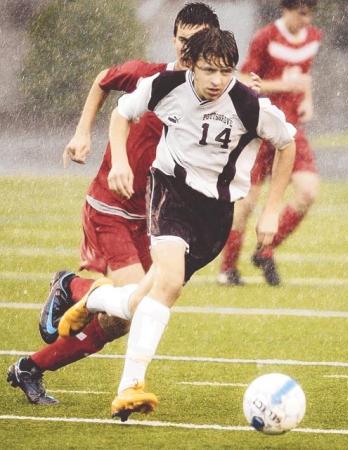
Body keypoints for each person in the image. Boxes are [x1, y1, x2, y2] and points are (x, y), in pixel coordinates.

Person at [58, 27, 296, 422]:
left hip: (215, 216)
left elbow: (285, 143)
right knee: (168, 285)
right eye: (208, 70)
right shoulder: (165, 85)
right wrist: (118, 160)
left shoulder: (250, 105)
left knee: (139, 302)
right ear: (192, 66)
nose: (217, 81)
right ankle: (129, 388)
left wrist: (271, 209)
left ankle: (93, 299)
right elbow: (121, 113)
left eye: (225, 71)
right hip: (169, 195)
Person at [7, 2, 221, 406]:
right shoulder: (150, 76)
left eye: (196, 42)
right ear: (173, 39)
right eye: (182, 40)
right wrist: (83, 135)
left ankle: (30, 367)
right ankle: (71, 284)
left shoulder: (214, 97)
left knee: (119, 320)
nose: (186, 49)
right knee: (135, 302)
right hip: (110, 207)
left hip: (153, 217)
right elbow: (104, 81)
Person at [218, 0, 321, 286]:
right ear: (286, 9)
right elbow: (245, 80)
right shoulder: (265, 38)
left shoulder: (313, 37)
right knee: (246, 203)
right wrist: (282, 87)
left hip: (291, 131)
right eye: (302, 13)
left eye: (311, 13)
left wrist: (307, 100)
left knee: (308, 192)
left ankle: (265, 249)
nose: (307, 19)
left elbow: (303, 76)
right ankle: (228, 270)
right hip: (261, 128)